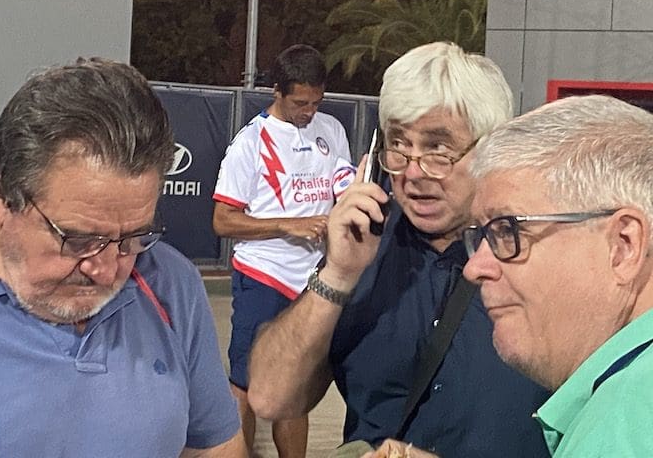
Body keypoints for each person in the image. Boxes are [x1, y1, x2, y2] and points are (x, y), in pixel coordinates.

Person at [0, 58, 245, 457]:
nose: (106, 269)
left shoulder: (171, 284)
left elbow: (214, 447)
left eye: (132, 238)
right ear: (2, 194)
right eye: (78, 239)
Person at [247, 41, 551, 457]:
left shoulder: (546, 255)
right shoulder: (364, 246)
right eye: (399, 145)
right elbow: (270, 398)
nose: (413, 171)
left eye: (438, 148)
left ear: (490, 150)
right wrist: (337, 275)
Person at [463, 94, 653, 457]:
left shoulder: (622, 427)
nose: (475, 268)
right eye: (482, 234)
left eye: (507, 230)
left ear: (624, 245)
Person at [212, 44, 354, 457]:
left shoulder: (332, 129)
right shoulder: (250, 142)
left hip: (313, 282)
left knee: (297, 385)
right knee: (246, 383)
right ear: (277, 91)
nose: (309, 111)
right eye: (300, 103)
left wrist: (350, 202)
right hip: (263, 276)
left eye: (316, 102)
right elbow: (223, 221)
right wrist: (286, 224)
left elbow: (341, 185)